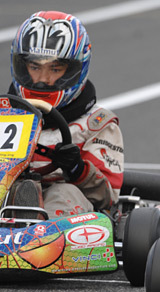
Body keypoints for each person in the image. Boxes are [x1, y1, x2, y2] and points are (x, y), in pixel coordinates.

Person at [8, 11, 123, 218]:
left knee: (63, 193)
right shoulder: (5, 114)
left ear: (74, 70)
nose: (42, 79)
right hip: (8, 194)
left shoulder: (96, 123)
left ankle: (39, 240)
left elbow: (108, 196)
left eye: (55, 69)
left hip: (67, 209)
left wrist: (77, 168)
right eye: (35, 67)